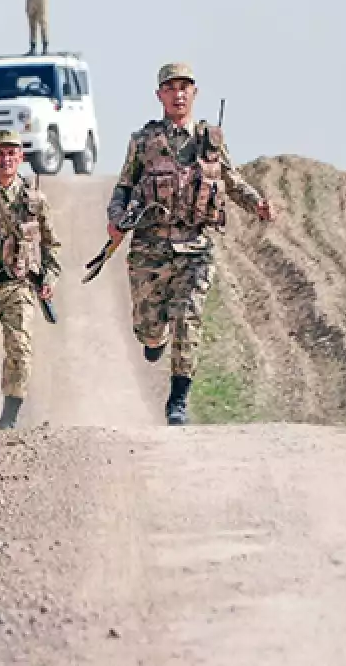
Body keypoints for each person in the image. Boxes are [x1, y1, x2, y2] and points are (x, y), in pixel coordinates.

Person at [107, 62, 274, 425]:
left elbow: (229, 179)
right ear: (159, 96)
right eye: (170, 88)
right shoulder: (143, 141)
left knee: (188, 319)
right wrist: (116, 218)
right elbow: (124, 185)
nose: (178, 94)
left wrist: (256, 203)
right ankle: (155, 341)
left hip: (195, 247)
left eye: (185, 87)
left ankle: (177, 401)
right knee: (148, 327)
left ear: (194, 93)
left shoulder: (209, 140)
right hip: (149, 248)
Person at [0, 129, 61, 430]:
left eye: (11, 153)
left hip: (19, 286)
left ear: (21, 158)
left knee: (21, 347)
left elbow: (50, 244)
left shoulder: (34, 200)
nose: (6, 159)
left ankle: (10, 414)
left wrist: (50, 277)